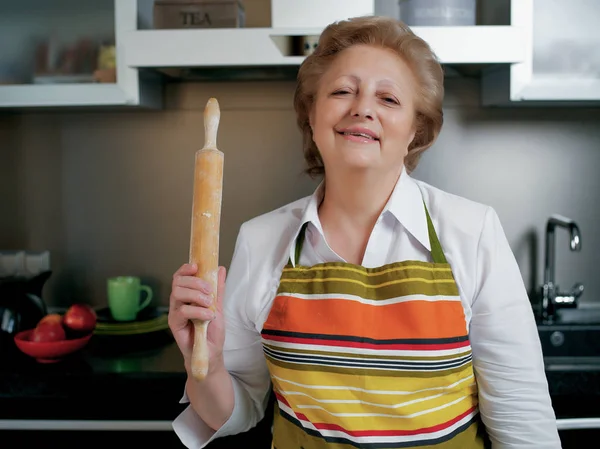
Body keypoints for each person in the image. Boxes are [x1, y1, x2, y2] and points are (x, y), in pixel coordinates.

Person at [168, 15, 561, 449]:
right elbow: (237, 410)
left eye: (389, 99)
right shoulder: (261, 241)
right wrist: (205, 361)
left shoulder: (472, 232)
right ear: (311, 115)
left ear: (415, 130)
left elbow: (522, 421)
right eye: (342, 91)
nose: (362, 108)